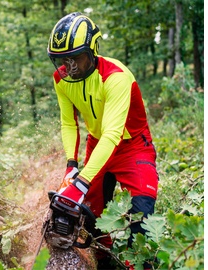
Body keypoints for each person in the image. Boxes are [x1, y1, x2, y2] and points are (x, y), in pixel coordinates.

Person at [47, 12, 159, 270]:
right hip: (97, 143)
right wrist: (71, 165)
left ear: (93, 51)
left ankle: (138, 264)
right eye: (64, 60)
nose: (70, 67)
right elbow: (68, 123)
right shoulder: (62, 80)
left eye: (77, 58)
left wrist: (83, 181)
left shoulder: (116, 77)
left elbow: (113, 134)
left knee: (141, 214)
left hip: (132, 146)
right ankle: (105, 261)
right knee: (88, 214)